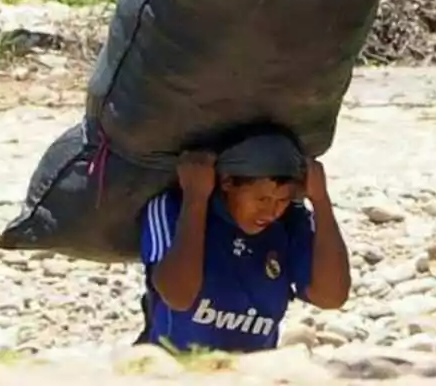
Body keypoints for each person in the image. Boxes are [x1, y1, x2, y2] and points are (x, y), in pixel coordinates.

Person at [137, 128, 351, 353]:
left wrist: (321, 202)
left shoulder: (290, 223)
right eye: (262, 199)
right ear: (227, 182)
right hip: (172, 371)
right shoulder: (173, 209)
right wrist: (195, 198)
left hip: (249, 374)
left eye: (282, 200)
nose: (271, 211)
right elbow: (178, 296)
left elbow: (331, 297)